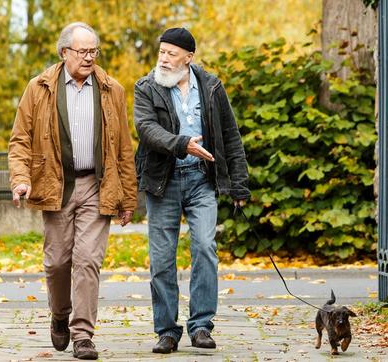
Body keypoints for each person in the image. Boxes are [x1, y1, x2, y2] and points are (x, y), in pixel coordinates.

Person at [8, 22, 137, 360]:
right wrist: (21, 179)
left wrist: (128, 198)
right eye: (83, 51)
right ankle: (60, 313)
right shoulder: (39, 88)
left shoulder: (112, 90)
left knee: (88, 260)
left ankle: (83, 335)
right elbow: (20, 140)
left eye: (94, 51)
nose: (90, 57)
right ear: (64, 52)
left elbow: (123, 147)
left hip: (97, 186)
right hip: (57, 185)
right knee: (57, 263)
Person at [133, 27, 250, 354]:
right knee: (162, 259)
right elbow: (146, 130)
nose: (164, 59)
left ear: (188, 57)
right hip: (163, 181)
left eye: (171, 53)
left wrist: (239, 184)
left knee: (204, 246)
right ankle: (167, 330)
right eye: (161, 52)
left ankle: (201, 326)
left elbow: (231, 136)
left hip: (201, 179)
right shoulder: (146, 87)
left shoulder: (212, 86)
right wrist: (182, 144)